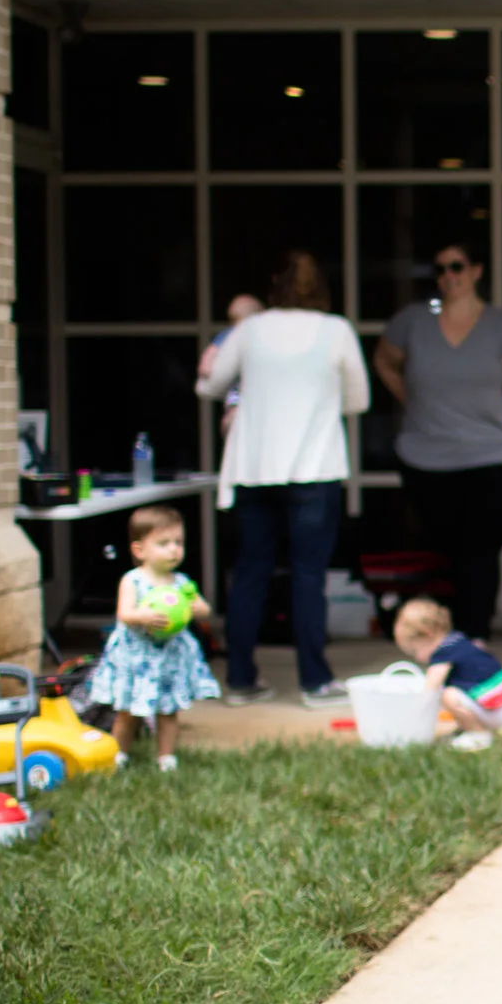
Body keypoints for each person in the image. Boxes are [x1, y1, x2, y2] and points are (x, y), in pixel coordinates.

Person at [198, 249, 369, 709]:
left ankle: (239, 679)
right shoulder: (336, 331)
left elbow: (210, 386)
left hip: (255, 470)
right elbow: (358, 401)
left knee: (250, 574)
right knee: (308, 577)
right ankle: (315, 681)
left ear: (276, 285)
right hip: (314, 470)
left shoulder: (250, 330)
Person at [374, 241, 502, 644]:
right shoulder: (412, 321)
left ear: (477, 270)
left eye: (457, 266)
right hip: (425, 457)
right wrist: (413, 399)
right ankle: (442, 637)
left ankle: (476, 635)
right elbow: (384, 361)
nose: (449, 276)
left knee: (481, 551)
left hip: (488, 455)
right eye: (441, 269)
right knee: (441, 552)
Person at [86, 504, 219, 771]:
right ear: (139, 550)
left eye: (178, 542)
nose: (174, 549)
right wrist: (142, 616)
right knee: (128, 710)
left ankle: (166, 757)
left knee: (168, 710)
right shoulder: (133, 580)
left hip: (168, 657)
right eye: (163, 543)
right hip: (138, 657)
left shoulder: (181, 583)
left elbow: (205, 610)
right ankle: (118, 754)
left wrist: (194, 608)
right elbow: (124, 613)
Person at [390, 596, 502, 753]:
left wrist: (412, 714)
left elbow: (431, 688)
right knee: (455, 691)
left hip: (496, 710)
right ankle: (468, 729)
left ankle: (479, 735)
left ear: (427, 634)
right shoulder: (456, 640)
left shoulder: (443, 653)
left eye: (415, 650)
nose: (417, 658)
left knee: (447, 695)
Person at [199, 292, 262, 441]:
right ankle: (232, 417)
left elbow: (210, 353)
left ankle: (232, 416)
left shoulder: (228, 334)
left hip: (241, 386)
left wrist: (206, 367)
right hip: (244, 384)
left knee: (236, 402)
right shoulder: (236, 335)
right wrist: (206, 367)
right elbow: (211, 353)